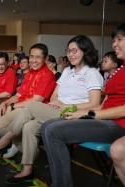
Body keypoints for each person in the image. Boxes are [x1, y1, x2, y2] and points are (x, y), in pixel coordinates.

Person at [0, 35, 104, 184]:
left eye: (74, 51)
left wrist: (65, 106)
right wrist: (54, 103)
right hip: (57, 110)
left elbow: (95, 103)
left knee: (32, 105)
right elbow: (55, 95)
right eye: (69, 51)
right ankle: (27, 170)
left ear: (85, 51)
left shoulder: (92, 73)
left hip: (75, 114)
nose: (70, 54)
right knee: (29, 126)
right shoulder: (67, 71)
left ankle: (9, 136)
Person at [41, 23, 125, 187]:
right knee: (49, 125)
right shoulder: (120, 70)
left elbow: (113, 108)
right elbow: (103, 104)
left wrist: (89, 114)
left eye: (119, 39)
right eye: (113, 40)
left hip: (117, 124)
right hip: (105, 119)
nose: (114, 44)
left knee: (52, 130)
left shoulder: (92, 72)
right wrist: (78, 112)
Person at [0, 44, 56, 158]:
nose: (33, 60)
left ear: (46, 59)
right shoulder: (30, 73)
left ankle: (20, 146)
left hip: (30, 110)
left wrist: (13, 106)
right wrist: (5, 103)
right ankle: (18, 144)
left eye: (38, 57)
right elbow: (18, 95)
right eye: (32, 56)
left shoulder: (47, 75)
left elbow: (36, 100)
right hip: (19, 105)